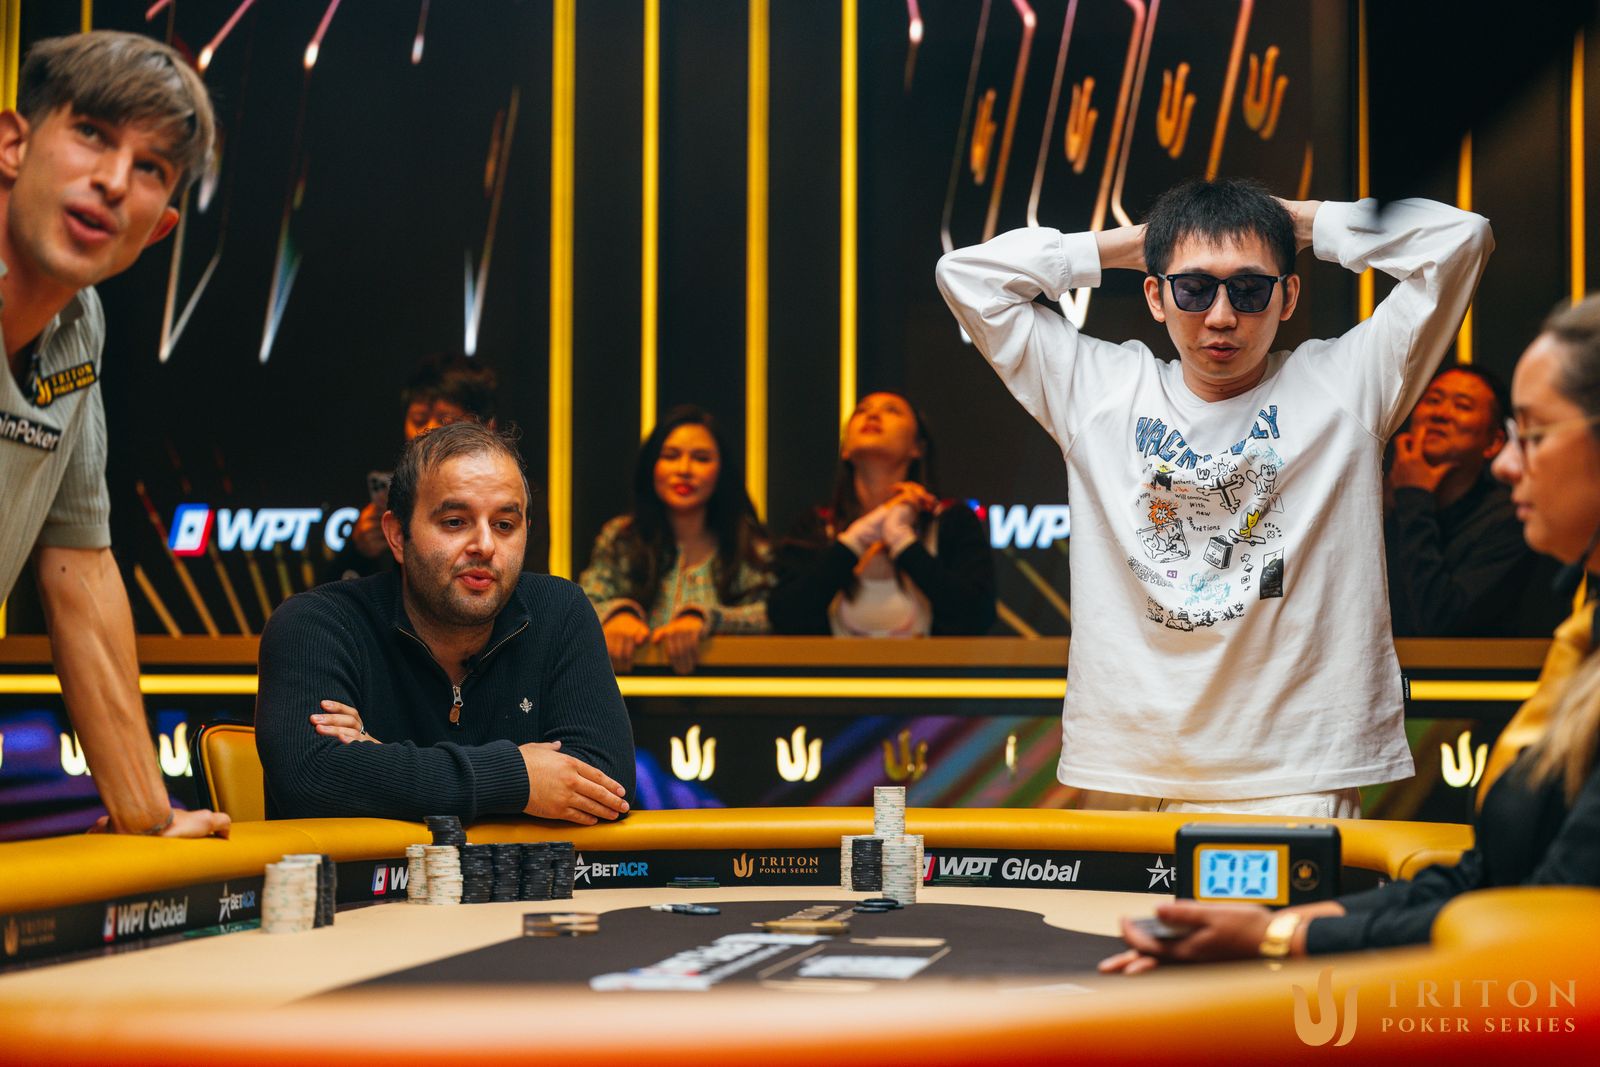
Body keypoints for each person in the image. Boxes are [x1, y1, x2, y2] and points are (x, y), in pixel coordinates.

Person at [938, 179, 1491, 816]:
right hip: (1131, 770)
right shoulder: (1100, 393)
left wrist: (1303, 222)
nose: (1222, 316)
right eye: (1194, 289)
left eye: (1250, 289)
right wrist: (1132, 245)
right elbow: (965, 277)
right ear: (1155, 295)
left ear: (1288, 297)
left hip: (1294, 776)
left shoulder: (1345, 386)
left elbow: (1461, 240)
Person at [1099, 295, 1600, 971]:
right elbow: (1486, 879)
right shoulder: (1585, 638)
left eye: (1533, 435)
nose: (1509, 464)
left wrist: (1279, 939)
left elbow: (1545, 920)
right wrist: (1278, 928)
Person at [0, 31, 227, 837]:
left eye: (151, 167)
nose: (113, 180)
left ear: (157, 227)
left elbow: (80, 570)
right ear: (12, 144)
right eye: (92, 132)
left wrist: (147, 817)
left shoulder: (78, 323)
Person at [256, 421, 635, 824]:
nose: (485, 546)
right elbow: (311, 779)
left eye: (504, 525)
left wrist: (380, 762)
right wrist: (518, 778)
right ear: (397, 535)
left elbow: (608, 783)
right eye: (455, 521)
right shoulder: (317, 625)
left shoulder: (560, 611)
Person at [768, 390, 995, 636]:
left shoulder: (952, 521)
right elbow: (785, 616)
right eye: (862, 411)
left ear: (917, 447)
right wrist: (857, 539)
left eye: (891, 411)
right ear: (845, 449)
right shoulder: (816, 525)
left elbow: (976, 615)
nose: (873, 415)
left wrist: (900, 538)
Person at [578, 404, 771, 675]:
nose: (684, 469)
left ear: (721, 471)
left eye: (701, 458)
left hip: (729, 693)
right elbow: (581, 603)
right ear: (652, 466)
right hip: (631, 694)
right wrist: (617, 614)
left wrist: (704, 619)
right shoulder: (622, 537)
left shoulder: (748, 542)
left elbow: (772, 615)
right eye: (671, 456)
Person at [1385, 364, 1562, 636]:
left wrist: (1414, 497)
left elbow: (1440, 625)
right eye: (1433, 400)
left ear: (1494, 442)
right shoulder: (1381, 507)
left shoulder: (1511, 519)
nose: (1440, 414)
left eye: (1462, 406)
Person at [324, 352, 499, 583]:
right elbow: (330, 592)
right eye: (419, 419)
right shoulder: (385, 495)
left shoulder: (513, 498)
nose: (429, 431)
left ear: (486, 427)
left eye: (447, 421)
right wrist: (359, 551)